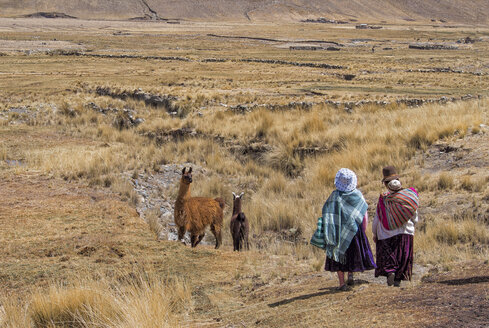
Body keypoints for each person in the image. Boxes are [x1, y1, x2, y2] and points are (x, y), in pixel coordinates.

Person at [323, 168, 376, 291]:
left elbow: (327, 213)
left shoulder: (334, 196)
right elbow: (364, 215)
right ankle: (350, 275)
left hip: (337, 232)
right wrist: (363, 230)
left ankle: (342, 283)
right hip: (355, 231)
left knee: (339, 256)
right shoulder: (357, 195)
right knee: (352, 253)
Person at [373, 166, 419, 287]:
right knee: (403, 256)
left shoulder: (384, 199)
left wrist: (375, 233)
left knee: (390, 255)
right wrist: (412, 224)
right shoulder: (408, 197)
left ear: (386, 184)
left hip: (387, 233)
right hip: (406, 232)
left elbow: (377, 218)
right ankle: (398, 280)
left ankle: (390, 272)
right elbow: (415, 216)